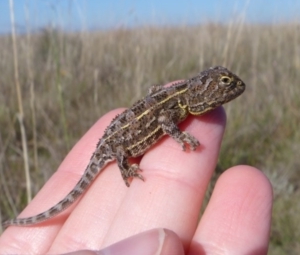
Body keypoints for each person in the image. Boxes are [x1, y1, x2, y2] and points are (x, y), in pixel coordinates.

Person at [0, 107, 272, 254]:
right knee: (78, 187)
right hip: (114, 147)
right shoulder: (178, 104)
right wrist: (129, 167)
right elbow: (166, 124)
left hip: (119, 138)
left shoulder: (181, 102)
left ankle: (17, 222)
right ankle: (19, 222)